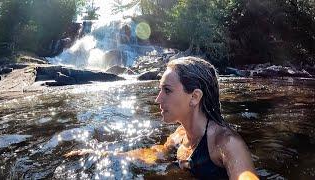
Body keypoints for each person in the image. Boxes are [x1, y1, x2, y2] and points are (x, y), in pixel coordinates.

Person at [65, 56, 259, 180]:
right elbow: (153, 154)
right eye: (160, 90)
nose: (158, 99)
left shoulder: (226, 143)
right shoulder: (179, 135)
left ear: (194, 97)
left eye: (167, 90)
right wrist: (101, 155)